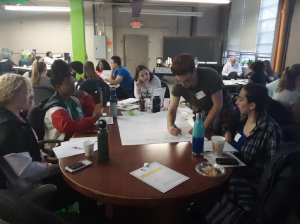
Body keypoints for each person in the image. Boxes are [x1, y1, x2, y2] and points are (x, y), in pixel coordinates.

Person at [225, 84, 282, 178]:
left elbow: (272, 169)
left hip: (247, 181)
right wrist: (228, 131)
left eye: (241, 99)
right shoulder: (242, 119)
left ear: (252, 105)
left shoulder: (272, 131)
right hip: (230, 170)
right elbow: (230, 125)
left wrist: (245, 170)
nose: (236, 102)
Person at [42, 60, 101, 148]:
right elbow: (68, 127)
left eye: (73, 83)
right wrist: (92, 119)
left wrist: (86, 97)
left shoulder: (73, 99)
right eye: (68, 84)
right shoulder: (55, 108)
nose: (73, 86)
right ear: (58, 87)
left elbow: (87, 113)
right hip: (62, 146)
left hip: (78, 138)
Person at [168, 54, 224, 135]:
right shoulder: (179, 84)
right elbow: (172, 108)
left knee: (215, 130)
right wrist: (170, 126)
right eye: (179, 80)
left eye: (187, 80)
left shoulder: (211, 76)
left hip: (220, 108)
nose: (183, 84)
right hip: (202, 107)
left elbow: (218, 105)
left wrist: (203, 126)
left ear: (194, 71)